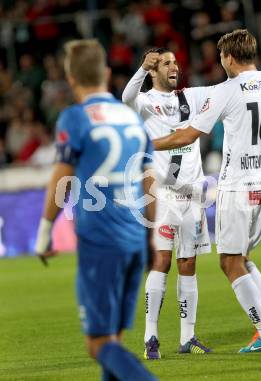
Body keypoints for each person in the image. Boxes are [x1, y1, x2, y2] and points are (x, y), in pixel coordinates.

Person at [151, 29, 261, 353]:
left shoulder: (226, 91)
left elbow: (186, 136)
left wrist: (145, 144)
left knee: (229, 262)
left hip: (238, 187)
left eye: (221, 56)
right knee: (243, 258)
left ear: (228, 57)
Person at [34, 39, 157, 381]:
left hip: (100, 241)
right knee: (114, 339)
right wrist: (150, 240)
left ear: (71, 78)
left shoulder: (74, 118)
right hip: (134, 238)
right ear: (105, 73)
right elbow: (150, 183)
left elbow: (62, 179)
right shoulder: (133, 119)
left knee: (98, 344)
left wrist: (44, 232)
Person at [122, 47, 213, 359]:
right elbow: (125, 97)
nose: (175, 66)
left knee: (188, 263)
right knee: (162, 260)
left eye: (176, 61)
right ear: (153, 70)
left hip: (194, 194)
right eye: (166, 63)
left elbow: (223, 91)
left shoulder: (191, 98)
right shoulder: (145, 102)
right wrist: (140, 67)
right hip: (164, 195)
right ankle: (151, 337)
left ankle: (188, 337)